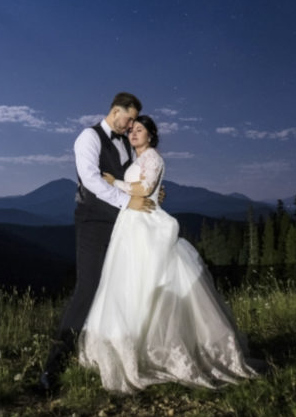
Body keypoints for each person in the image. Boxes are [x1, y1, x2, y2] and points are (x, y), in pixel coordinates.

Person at [78, 115, 259, 393]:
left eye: (139, 130)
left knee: (149, 282)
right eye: (131, 131)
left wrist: (115, 183)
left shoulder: (153, 158)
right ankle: (131, 347)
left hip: (146, 225)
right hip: (130, 224)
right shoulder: (137, 160)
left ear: (151, 135)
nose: (133, 134)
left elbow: (145, 189)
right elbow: (149, 188)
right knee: (128, 286)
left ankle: (164, 350)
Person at [39, 92, 156, 392]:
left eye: (134, 122)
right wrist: (126, 202)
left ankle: (112, 356)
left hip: (123, 225)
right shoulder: (88, 138)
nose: (131, 127)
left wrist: (149, 195)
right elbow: (90, 180)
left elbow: (133, 179)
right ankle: (53, 364)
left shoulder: (125, 145)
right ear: (115, 111)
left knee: (121, 288)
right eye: (128, 119)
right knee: (88, 287)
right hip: (92, 222)